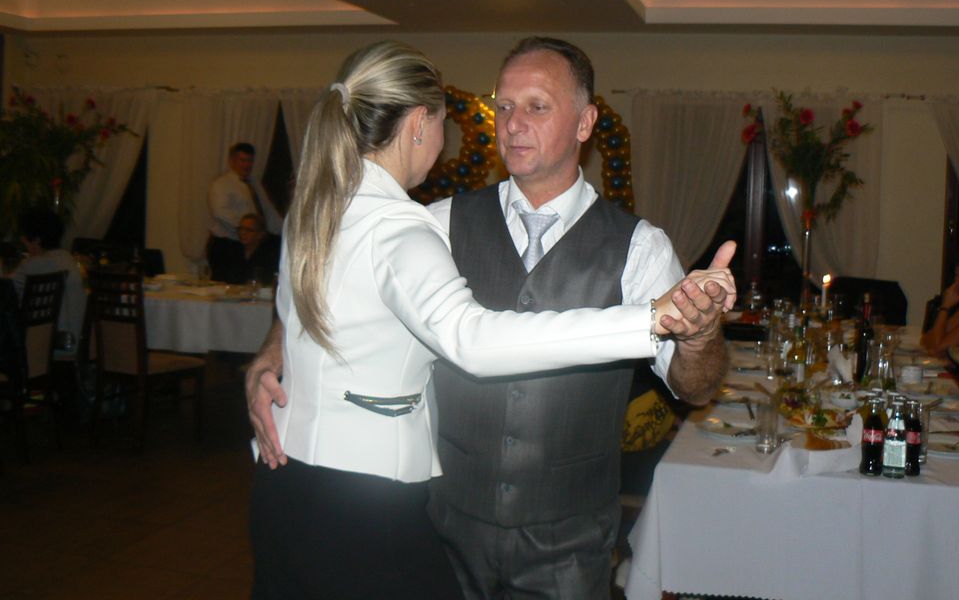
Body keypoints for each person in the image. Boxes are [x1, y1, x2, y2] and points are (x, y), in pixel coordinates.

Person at [248, 37, 734, 600]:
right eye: (503, 105)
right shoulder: (430, 222)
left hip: (569, 542)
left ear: (585, 123)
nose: (513, 123)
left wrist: (699, 334)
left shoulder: (641, 248)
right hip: (442, 526)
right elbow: (331, 284)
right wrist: (273, 353)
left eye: (537, 106)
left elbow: (696, 388)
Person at [8, 208, 85, 351]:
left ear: (37, 240)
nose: (22, 240)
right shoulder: (67, 258)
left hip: (48, 346)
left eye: (24, 237)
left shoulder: (35, 265)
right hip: (74, 342)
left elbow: (5, 289)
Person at [207, 142, 281, 281]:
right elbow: (220, 213)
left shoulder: (254, 183)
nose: (247, 165)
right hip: (226, 244)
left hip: (248, 244)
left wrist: (280, 231)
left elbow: (267, 209)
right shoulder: (221, 184)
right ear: (232, 161)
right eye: (242, 160)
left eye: (250, 161)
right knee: (226, 283)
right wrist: (248, 230)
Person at [215, 213, 282, 285]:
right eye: (241, 229)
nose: (243, 233)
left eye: (249, 230)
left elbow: (268, 280)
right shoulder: (232, 251)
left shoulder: (269, 254)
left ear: (260, 234)